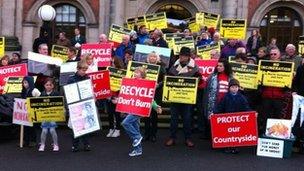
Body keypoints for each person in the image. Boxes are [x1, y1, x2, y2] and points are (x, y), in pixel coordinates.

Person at [121, 67, 162, 157]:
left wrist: (155, 106)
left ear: (142, 75)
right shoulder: (131, 82)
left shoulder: (146, 84)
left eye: (138, 73)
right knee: (136, 128)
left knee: (125, 123)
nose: (135, 74)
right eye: (135, 72)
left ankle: (137, 137)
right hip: (131, 108)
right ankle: (138, 150)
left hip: (139, 109)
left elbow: (150, 98)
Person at [165, 47, 201, 147]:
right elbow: (168, 79)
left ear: (188, 57)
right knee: (173, 119)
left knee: (187, 119)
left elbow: (199, 79)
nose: (181, 57)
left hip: (187, 98)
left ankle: (188, 138)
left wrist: (195, 82)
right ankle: (172, 137)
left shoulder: (194, 67)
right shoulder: (174, 66)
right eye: (180, 55)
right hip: (175, 97)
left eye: (183, 56)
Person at [212, 79, 251, 154]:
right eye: (232, 87)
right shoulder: (225, 97)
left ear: (238, 88)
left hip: (237, 120)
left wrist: (252, 113)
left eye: (236, 87)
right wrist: (214, 113)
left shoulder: (242, 98)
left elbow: (246, 108)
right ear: (229, 88)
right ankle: (227, 147)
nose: (234, 89)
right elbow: (220, 107)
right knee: (228, 134)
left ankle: (235, 147)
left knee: (237, 134)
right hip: (227, 119)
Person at [258, 48, 286, 134]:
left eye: (275, 54)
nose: (273, 56)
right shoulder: (264, 65)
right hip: (266, 96)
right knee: (265, 117)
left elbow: (288, 83)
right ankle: (265, 135)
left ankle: (275, 136)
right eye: (271, 54)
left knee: (277, 118)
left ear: (279, 55)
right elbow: (259, 80)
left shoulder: (285, 66)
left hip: (279, 97)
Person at [203, 58, 233, 136]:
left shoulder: (231, 78)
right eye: (218, 66)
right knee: (213, 122)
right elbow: (206, 91)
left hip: (226, 104)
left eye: (220, 66)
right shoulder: (212, 77)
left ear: (225, 67)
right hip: (214, 103)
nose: (218, 67)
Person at [67, 61, 91, 152]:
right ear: (78, 69)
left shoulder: (87, 78)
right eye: (82, 70)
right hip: (75, 105)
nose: (84, 72)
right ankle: (75, 145)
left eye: (85, 70)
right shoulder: (71, 79)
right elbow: (69, 92)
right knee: (75, 126)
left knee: (86, 125)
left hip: (85, 103)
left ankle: (86, 144)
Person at [144, 52, 166, 142]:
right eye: (151, 56)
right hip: (146, 93)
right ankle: (146, 134)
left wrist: (159, 84)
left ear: (157, 58)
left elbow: (165, 79)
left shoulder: (161, 67)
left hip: (156, 93)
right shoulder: (144, 67)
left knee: (154, 115)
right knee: (146, 115)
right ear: (148, 58)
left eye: (154, 57)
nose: (152, 58)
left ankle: (153, 134)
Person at [38, 78, 60, 152]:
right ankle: (42, 144)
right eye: (47, 85)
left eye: (50, 85)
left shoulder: (56, 94)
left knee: (52, 130)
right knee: (44, 131)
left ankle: (56, 144)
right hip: (44, 115)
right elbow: (38, 105)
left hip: (53, 115)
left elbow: (60, 104)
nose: (48, 86)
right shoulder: (42, 94)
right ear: (44, 86)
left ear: (53, 86)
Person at [106, 56, 124, 138]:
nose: (112, 64)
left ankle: (117, 130)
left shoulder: (122, 73)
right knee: (109, 113)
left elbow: (123, 86)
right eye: (111, 62)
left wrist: (118, 97)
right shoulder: (108, 71)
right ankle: (111, 128)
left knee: (117, 114)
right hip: (109, 95)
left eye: (113, 62)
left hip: (117, 96)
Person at [21, 76, 41, 147]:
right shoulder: (23, 90)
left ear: (30, 82)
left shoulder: (35, 90)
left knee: (32, 127)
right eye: (23, 83)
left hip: (32, 112)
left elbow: (40, 99)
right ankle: (25, 141)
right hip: (25, 112)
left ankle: (33, 141)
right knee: (25, 127)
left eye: (26, 83)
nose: (24, 84)